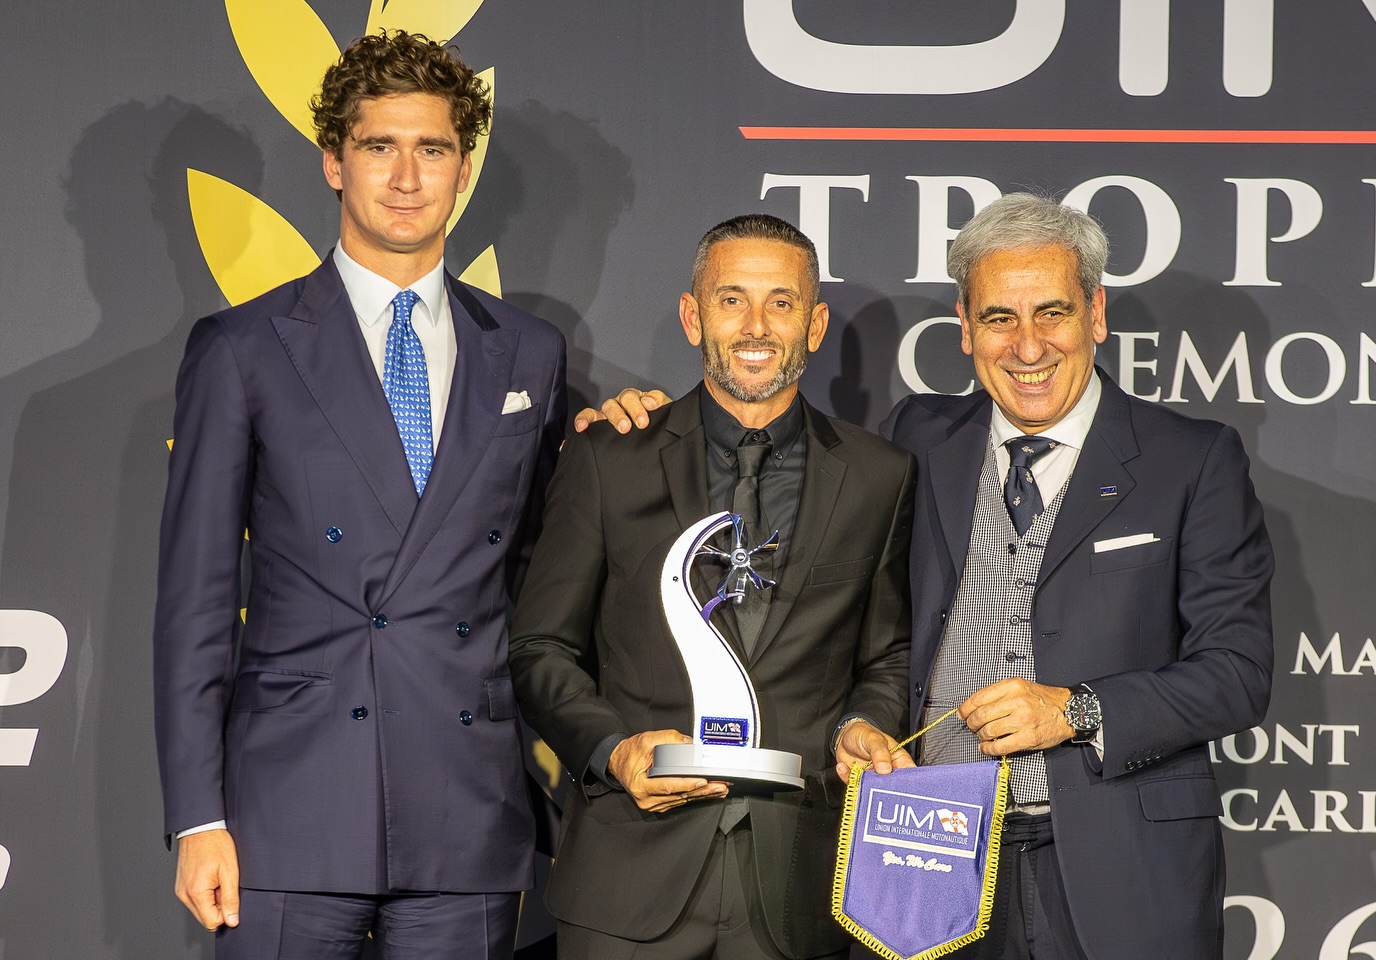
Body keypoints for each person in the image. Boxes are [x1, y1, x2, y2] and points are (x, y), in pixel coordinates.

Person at [579, 193, 1273, 960]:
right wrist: (639, 421)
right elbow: (870, 625)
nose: (1029, 345)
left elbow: (1237, 673)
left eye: (1053, 312)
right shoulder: (920, 439)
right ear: (967, 328)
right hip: (932, 856)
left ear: (1095, 314)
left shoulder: (1192, 460)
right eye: (1000, 319)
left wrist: (1078, 710)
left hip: (1116, 862)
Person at [153, 31, 565, 960]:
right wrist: (195, 817)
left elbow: (536, 566)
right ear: (334, 162)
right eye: (380, 146)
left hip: (465, 805)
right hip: (288, 807)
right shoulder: (244, 348)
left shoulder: (530, 352)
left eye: (433, 149)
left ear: (465, 169)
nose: (407, 176)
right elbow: (196, 604)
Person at [508, 214, 915, 959]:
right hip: (629, 874)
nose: (756, 326)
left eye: (782, 303)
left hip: (795, 885)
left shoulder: (880, 476)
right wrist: (612, 751)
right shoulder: (609, 457)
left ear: (815, 324)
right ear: (694, 316)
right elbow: (540, 646)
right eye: (732, 300)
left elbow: (886, 655)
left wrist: (863, 724)